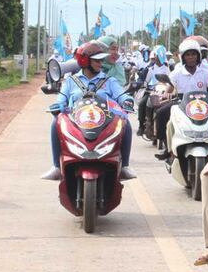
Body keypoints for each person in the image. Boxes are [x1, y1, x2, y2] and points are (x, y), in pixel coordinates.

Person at [41, 41, 137, 180]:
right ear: (85, 61)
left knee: (125, 123)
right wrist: (58, 106)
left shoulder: (109, 81)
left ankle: (124, 166)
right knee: (56, 122)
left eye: (101, 60)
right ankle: (56, 166)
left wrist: (127, 101)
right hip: (76, 121)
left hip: (105, 121)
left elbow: (122, 95)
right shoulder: (71, 81)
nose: (100, 63)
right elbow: (61, 99)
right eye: (97, 60)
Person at [154, 39, 208, 160]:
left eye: (193, 54)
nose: (191, 57)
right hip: (181, 104)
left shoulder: (205, 72)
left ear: (198, 56)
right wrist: (165, 94)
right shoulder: (177, 73)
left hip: (203, 105)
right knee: (162, 114)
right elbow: (169, 88)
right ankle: (167, 148)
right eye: (188, 54)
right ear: (183, 57)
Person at [136, 45, 170, 137]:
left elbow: (170, 81)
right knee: (142, 104)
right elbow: (146, 81)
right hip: (152, 91)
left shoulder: (167, 69)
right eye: (157, 56)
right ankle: (141, 126)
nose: (157, 58)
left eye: (160, 56)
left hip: (164, 92)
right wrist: (144, 85)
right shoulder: (150, 69)